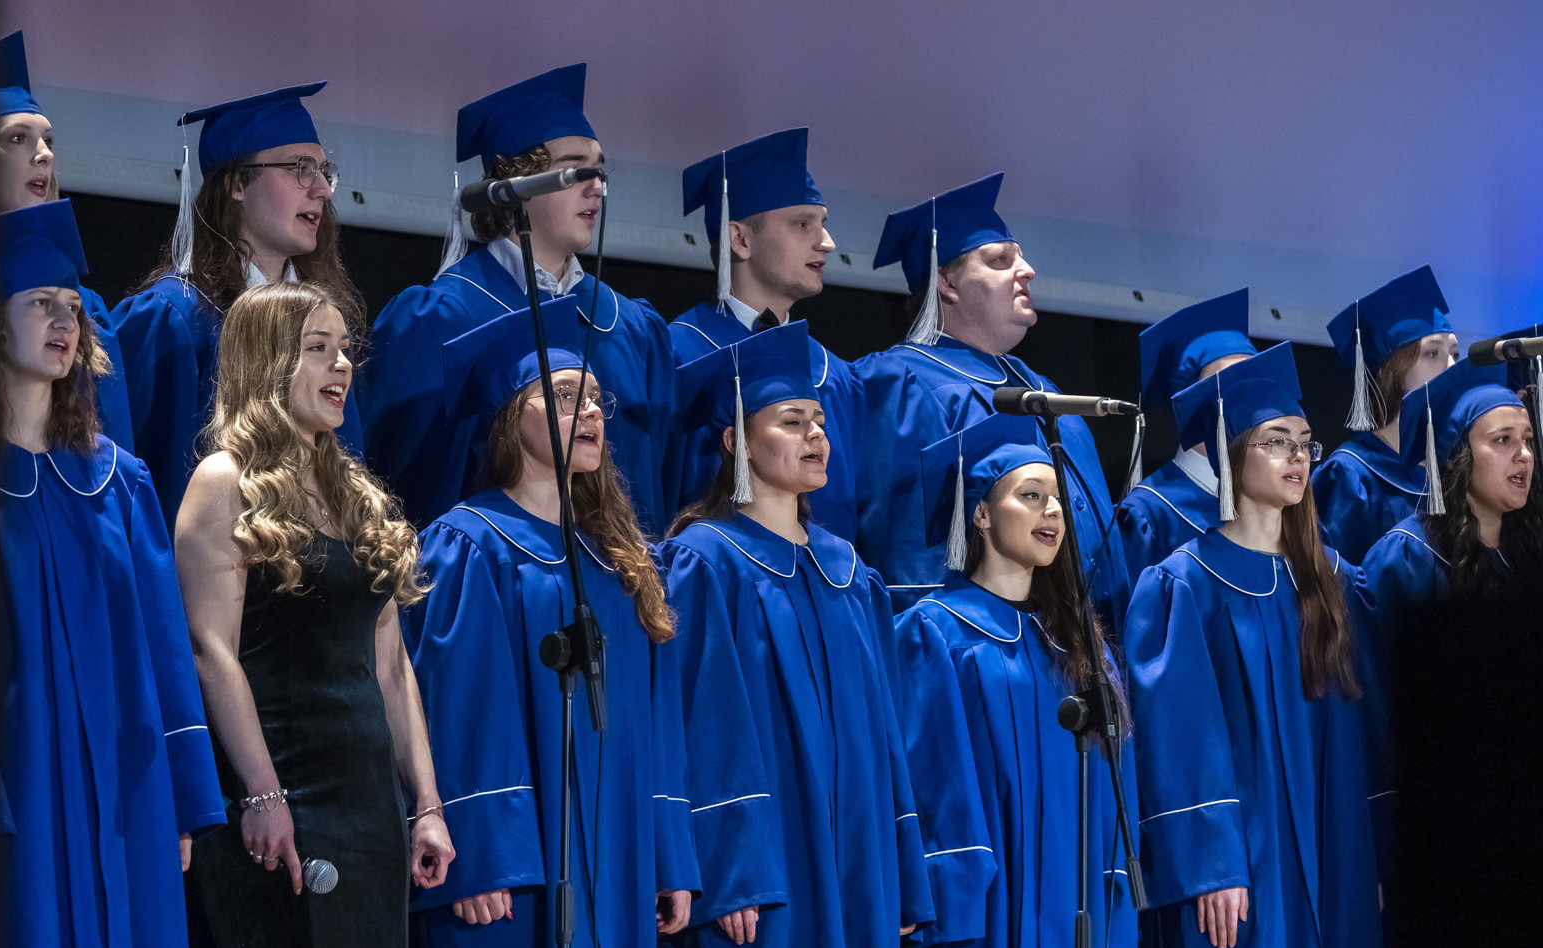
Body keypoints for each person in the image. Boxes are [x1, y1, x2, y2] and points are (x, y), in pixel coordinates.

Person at [404, 296, 698, 948]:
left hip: (620, 854)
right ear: (510, 419)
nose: (591, 412)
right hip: (514, 867)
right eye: (566, 397)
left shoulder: (621, 563)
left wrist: (669, 853)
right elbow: (459, 711)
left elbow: (656, 724)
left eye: (597, 399)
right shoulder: (468, 544)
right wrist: (480, 856)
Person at [173, 281, 454, 948]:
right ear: (267, 361)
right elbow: (209, 649)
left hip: (367, 810)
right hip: (278, 798)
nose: (341, 366)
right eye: (317, 348)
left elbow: (391, 667)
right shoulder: (223, 481)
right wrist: (263, 794)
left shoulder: (354, 494)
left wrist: (426, 804)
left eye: (345, 350)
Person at [0, 199, 225, 948]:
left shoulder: (117, 481)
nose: (63, 321)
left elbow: (163, 647)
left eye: (71, 306)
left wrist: (187, 798)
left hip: (129, 784)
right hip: (23, 784)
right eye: (38, 303)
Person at [661, 321, 934, 948]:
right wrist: (730, 871)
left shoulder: (850, 572)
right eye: (791, 421)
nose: (816, 435)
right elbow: (701, 726)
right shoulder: (704, 561)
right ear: (736, 442)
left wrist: (904, 869)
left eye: (819, 421)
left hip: (859, 859)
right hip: (766, 864)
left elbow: (888, 736)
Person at [1125, 344, 1390, 948]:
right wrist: (1213, 864)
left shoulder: (1333, 581)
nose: (1296, 458)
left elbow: (1365, 729)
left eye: (1304, 443)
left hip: (1333, 841)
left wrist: (1369, 853)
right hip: (1245, 855)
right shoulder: (1183, 585)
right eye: (1276, 442)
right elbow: (1178, 736)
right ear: (1231, 451)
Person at [897, 414, 1139, 948]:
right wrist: (950, 897)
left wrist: (1112, 891)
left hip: (1072, 905)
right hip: (985, 910)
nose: (1051, 511)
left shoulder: (1081, 644)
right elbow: (934, 783)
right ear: (979, 514)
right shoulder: (935, 631)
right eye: (1030, 495)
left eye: (1057, 498)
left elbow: (1117, 787)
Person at [358, 64, 682, 532]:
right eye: (574, 168)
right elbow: (395, 482)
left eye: (599, 169)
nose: (596, 186)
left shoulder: (631, 327)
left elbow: (660, 488)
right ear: (515, 184)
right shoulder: (443, 318)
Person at [855, 173, 1129, 620]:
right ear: (946, 282)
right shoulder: (900, 381)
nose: (1027, 270)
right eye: (1000, 260)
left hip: (1081, 639)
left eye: (1020, 257)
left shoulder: (1043, 388)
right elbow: (905, 548)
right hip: (981, 640)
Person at [112, 82, 367, 525]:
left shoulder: (324, 330)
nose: (324, 190)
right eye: (301, 168)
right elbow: (140, 488)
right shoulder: (175, 319)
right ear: (235, 184)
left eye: (325, 170)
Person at [669, 127, 863, 538]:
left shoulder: (835, 373)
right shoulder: (678, 352)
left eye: (823, 224)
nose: (828, 242)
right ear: (739, 238)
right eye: (803, 224)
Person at [0, 30, 134, 451]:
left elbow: (111, 450)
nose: (45, 154)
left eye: (48, 141)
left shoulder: (82, 307)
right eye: (18, 138)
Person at [1362, 357, 1543, 611]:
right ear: (1457, 456)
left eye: (1527, 440)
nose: (1524, 454)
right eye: (1503, 439)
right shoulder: (1411, 556)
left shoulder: (1528, 547)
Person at [1313, 266, 1457, 563]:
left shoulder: (1453, 468)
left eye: (1455, 352)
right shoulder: (1351, 475)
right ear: (1393, 369)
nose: (1453, 366)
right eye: (1433, 353)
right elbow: (1338, 583)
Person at [1115, 289, 1256, 581]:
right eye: (1228, 381)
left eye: (1254, 380)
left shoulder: (1268, 498)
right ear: (1189, 400)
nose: (1248, 394)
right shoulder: (1150, 513)